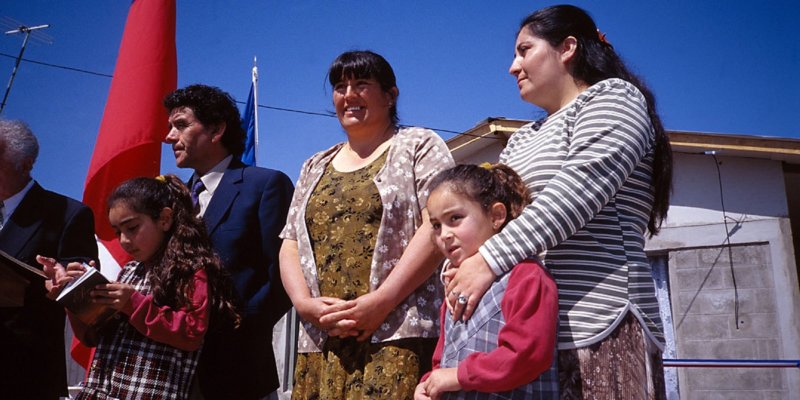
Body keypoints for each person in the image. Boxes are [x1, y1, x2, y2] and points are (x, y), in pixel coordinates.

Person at [445, 5, 673, 399]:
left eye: (524, 50)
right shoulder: (521, 139)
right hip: (526, 333)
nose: (512, 67)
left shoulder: (615, 98)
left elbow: (576, 192)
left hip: (600, 323)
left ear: (567, 47)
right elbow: (497, 217)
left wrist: (486, 261)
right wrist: (462, 262)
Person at [279, 50, 454, 399]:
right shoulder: (315, 164)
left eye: (361, 84)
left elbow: (437, 225)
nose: (348, 94)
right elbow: (290, 242)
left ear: (390, 95)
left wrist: (382, 301)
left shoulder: (419, 145)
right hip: (322, 339)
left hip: (397, 332)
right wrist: (304, 305)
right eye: (340, 86)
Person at [49, 174, 240, 399]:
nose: (124, 240)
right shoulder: (130, 271)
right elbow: (93, 337)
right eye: (118, 232)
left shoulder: (189, 270)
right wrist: (74, 296)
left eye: (132, 228)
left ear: (165, 219)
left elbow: (191, 334)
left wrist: (132, 303)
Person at [163, 84, 294, 399]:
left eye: (180, 125)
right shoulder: (168, 199)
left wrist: (234, 328)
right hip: (170, 374)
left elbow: (282, 277)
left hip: (240, 372)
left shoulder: (264, 185)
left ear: (216, 129)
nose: (168, 137)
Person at [415, 164, 559, 400]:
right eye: (437, 225)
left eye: (455, 218)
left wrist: (459, 375)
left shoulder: (526, 276)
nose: (444, 234)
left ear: (496, 216)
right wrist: (428, 383)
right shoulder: (454, 284)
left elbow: (527, 355)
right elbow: (443, 358)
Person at [0, 119, 98, 400]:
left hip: (21, 373)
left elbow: (85, 290)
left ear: (25, 164)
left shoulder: (66, 213)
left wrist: (64, 284)